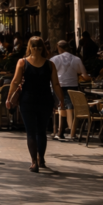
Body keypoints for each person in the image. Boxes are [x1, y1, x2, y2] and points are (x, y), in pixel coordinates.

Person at [6, 36, 62, 172]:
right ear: (43, 47)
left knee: (31, 132)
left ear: (29, 47)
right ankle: (41, 159)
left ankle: (33, 162)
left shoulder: (23, 62)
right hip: (45, 101)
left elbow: (15, 82)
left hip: (27, 101)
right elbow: (55, 84)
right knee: (41, 132)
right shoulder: (50, 64)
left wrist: (8, 98)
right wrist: (62, 101)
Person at [50, 40, 90, 140]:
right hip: (72, 86)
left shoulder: (54, 59)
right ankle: (71, 132)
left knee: (61, 107)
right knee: (70, 108)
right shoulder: (76, 59)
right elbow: (84, 75)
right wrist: (90, 78)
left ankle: (61, 132)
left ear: (58, 48)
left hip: (58, 85)